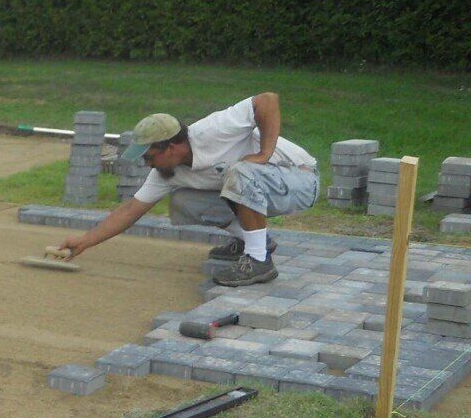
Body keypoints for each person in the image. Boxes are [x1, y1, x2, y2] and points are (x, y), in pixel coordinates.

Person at [57, 94, 320, 286]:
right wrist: (84, 241)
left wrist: (264, 153)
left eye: (149, 156)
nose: (145, 163)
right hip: (258, 187)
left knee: (241, 171)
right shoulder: (166, 173)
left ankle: (258, 262)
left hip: (299, 180)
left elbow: (268, 100)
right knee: (183, 200)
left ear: (170, 148)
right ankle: (255, 242)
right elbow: (129, 211)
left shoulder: (213, 130)